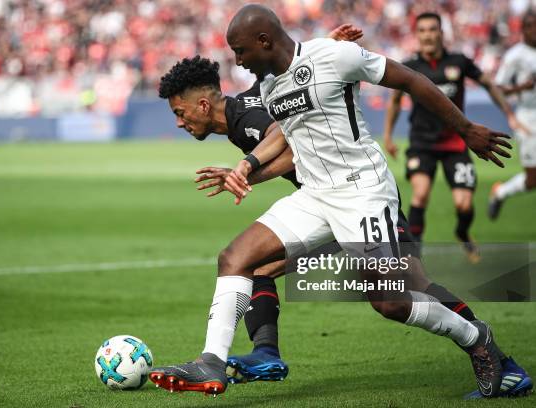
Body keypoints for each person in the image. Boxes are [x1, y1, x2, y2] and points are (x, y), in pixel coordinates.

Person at [149, 4, 515, 398]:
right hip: (315, 196)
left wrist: (465, 128)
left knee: (391, 301)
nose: (237, 61)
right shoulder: (271, 87)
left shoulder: (334, 56)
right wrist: (246, 169)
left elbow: (410, 80)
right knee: (235, 258)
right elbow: (285, 137)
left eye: (240, 51)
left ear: (264, 40)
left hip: (364, 194)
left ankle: (478, 339)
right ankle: (211, 362)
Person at [382, 12, 524, 263]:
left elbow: (489, 84)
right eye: (422, 30)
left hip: (455, 143)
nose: (427, 35)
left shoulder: (459, 61)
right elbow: (394, 101)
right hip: (421, 143)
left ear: (441, 33)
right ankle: (414, 255)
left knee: (464, 204)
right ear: (417, 35)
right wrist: (388, 136)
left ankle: (462, 232)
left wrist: (509, 115)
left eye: (432, 29)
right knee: (420, 194)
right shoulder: (410, 66)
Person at [489, 10, 536, 219]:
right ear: (523, 29)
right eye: (530, 26)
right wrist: (521, 88)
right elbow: (497, 88)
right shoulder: (515, 55)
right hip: (528, 118)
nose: (534, 30)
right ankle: (500, 193)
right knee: (532, 180)